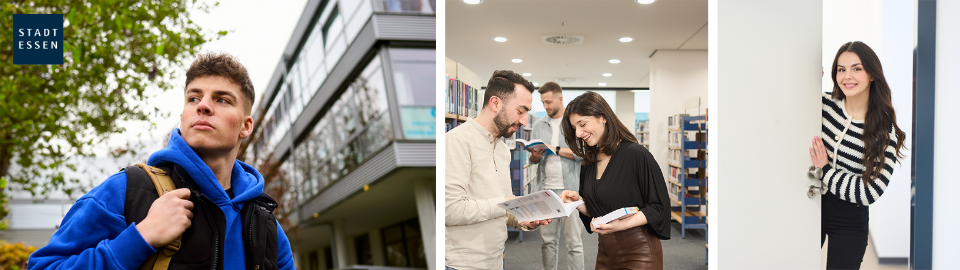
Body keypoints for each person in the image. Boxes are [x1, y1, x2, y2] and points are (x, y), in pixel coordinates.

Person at [28, 52, 295, 270]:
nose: (202, 106)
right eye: (194, 97)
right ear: (183, 115)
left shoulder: (264, 222)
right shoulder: (126, 190)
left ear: (246, 126)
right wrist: (140, 238)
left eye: (221, 99)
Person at [809, 41, 906, 269]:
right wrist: (806, 82)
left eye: (856, 68)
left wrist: (826, 171)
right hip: (811, 203)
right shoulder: (823, 104)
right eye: (841, 69)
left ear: (871, 74)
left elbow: (870, 191)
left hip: (850, 218)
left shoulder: (884, 129)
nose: (847, 76)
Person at [445, 70, 551, 270]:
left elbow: (502, 207)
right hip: (461, 265)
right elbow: (449, 210)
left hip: (496, 259)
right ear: (495, 103)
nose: (524, 122)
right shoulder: (457, 141)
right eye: (520, 111)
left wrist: (524, 219)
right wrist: (505, 203)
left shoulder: (502, 148)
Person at [558, 91, 671, 270]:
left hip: (639, 251)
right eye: (574, 128)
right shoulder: (589, 161)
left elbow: (658, 207)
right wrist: (578, 202)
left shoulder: (636, 154)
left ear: (602, 117)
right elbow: (598, 210)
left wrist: (622, 225)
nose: (578, 133)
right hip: (605, 252)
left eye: (583, 124)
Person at [527, 82, 584, 270]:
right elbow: (533, 160)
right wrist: (534, 156)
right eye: (543, 102)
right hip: (546, 190)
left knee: (573, 243)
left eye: (549, 102)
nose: (546, 106)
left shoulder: (574, 123)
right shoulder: (538, 124)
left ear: (560, 99)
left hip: (570, 190)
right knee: (548, 242)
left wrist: (555, 149)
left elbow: (581, 154)